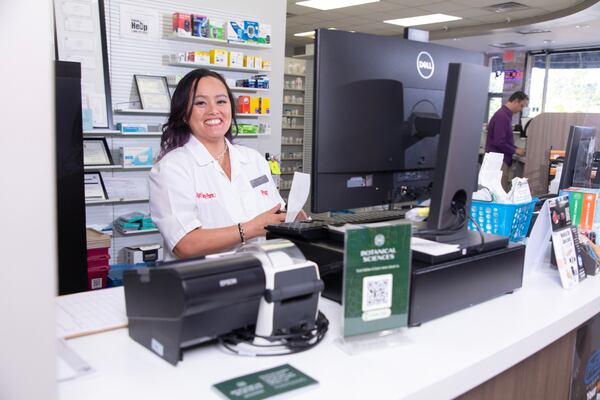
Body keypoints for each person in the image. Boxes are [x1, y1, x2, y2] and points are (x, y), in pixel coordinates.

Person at [149, 68, 299, 260]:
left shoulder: (252, 159)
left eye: (221, 101)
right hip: (203, 281)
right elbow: (184, 244)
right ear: (185, 114)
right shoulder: (172, 168)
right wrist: (250, 229)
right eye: (200, 103)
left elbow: (272, 215)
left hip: (259, 274)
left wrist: (291, 219)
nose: (214, 110)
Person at [485, 91, 529, 191]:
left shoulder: (505, 115)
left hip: (499, 160)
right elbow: (499, 141)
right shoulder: (502, 116)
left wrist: (516, 148)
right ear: (516, 101)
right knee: (499, 193)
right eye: (521, 106)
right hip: (498, 160)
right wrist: (515, 150)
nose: (521, 110)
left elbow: (503, 140)